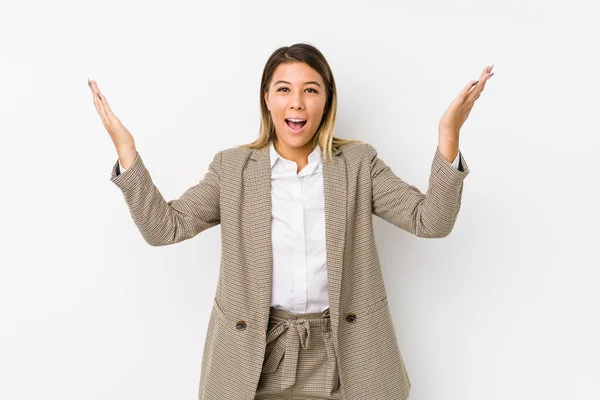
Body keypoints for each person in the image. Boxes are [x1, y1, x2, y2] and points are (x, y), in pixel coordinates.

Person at [89, 43, 493, 400]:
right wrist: (128, 153)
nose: (296, 102)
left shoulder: (357, 164)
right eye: (284, 89)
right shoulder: (233, 169)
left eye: (310, 90)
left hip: (347, 356)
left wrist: (448, 135)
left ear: (326, 101)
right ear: (267, 99)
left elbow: (432, 221)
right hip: (256, 356)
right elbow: (165, 228)